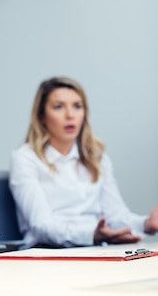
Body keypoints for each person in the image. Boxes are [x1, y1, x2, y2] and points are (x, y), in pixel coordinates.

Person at [9, 76, 158, 249]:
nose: (70, 115)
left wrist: (147, 224)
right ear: (42, 116)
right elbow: (41, 225)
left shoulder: (97, 158)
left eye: (77, 106)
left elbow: (115, 215)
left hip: (94, 248)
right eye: (59, 107)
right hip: (47, 251)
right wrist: (92, 234)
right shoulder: (25, 157)